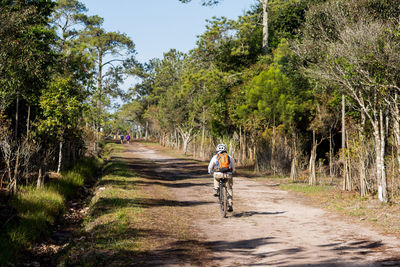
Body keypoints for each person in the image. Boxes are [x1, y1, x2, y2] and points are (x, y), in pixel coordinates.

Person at [208, 144, 235, 212]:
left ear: (217, 149)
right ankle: (230, 204)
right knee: (229, 189)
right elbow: (233, 167)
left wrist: (210, 172)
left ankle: (216, 189)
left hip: (218, 174)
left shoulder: (215, 157)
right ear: (225, 149)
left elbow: (210, 166)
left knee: (215, 177)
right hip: (228, 175)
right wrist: (232, 171)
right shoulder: (229, 157)